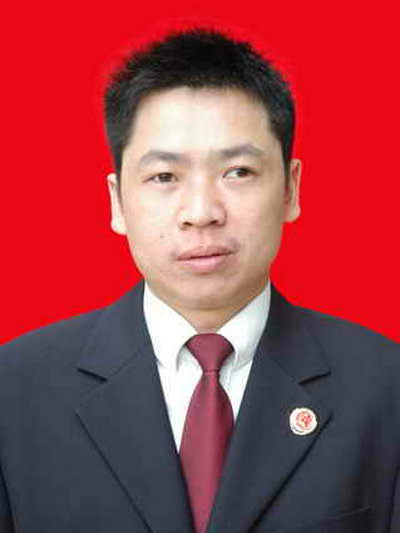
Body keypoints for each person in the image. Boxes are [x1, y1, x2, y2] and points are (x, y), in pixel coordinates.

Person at [0, 28, 399, 533]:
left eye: (237, 172)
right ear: (117, 201)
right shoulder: (14, 389)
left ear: (291, 189)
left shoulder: (386, 387)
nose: (202, 212)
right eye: (164, 177)